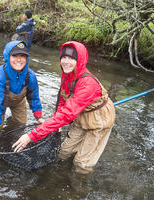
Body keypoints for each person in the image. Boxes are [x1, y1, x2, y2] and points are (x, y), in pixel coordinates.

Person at [13, 41, 116, 174]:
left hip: (99, 121)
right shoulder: (67, 74)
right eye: (64, 57)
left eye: (71, 58)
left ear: (79, 61)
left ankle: (78, 189)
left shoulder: (87, 84)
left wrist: (31, 135)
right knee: (64, 152)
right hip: (81, 116)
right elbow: (62, 98)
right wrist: (57, 122)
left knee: (81, 164)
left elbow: (67, 114)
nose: (66, 62)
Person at [0, 41, 44, 158]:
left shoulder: (31, 76)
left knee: (21, 125)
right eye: (14, 56)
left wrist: (39, 118)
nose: (19, 60)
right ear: (7, 56)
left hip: (19, 102)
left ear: (27, 58)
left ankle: (14, 145)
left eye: (22, 56)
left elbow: (34, 97)